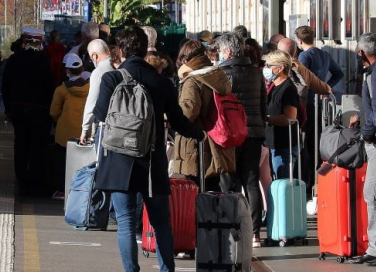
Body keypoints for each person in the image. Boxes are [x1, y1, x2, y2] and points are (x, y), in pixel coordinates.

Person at [92, 26, 207, 272]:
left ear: (120, 51)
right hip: (151, 162)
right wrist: (201, 134)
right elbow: (178, 122)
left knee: (125, 221)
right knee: (161, 222)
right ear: (145, 50)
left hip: (119, 159)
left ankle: (131, 270)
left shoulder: (111, 78)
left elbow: (100, 114)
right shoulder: (161, 82)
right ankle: (167, 269)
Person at [216, 32, 267, 246]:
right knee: (251, 181)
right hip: (254, 132)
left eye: (220, 51)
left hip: (231, 133)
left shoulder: (221, 73)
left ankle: (233, 228)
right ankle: (254, 233)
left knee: (229, 181)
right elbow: (263, 103)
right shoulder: (257, 73)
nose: (219, 54)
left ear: (227, 51)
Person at [171, 40, 236, 193]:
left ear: (185, 60)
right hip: (217, 138)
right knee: (212, 189)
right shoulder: (216, 75)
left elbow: (188, 112)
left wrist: (171, 115)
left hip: (196, 141)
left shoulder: (192, 80)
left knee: (195, 190)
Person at [2, 28, 56, 196]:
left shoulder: (13, 60)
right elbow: (50, 86)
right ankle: (35, 182)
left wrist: (8, 108)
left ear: (25, 42)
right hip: (40, 112)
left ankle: (22, 180)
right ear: (39, 43)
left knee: (21, 145)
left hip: (18, 111)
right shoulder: (44, 61)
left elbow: (5, 86)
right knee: (38, 146)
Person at [294, 25, 343, 190]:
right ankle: (317, 179)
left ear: (300, 40)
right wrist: (325, 87)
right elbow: (339, 73)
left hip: (307, 103)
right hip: (320, 104)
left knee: (304, 143)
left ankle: (306, 181)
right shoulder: (324, 55)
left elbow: (302, 80)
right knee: (316, 143)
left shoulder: (304, 55)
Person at [348, 33, 376, 265]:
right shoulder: (371, 73)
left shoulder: (374, 75)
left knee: (372, 193)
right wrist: (362, 116)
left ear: (362, 52)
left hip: (375, 141)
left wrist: (367, 133)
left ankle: (375, 249)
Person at [49, 53, 91, 198]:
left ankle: (62, 190)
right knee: (83, 163)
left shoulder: (61, 90)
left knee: (62, 163)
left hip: (64, 134)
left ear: (67, 71)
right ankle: (82, 191)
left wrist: (60, 120)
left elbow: (54, 111)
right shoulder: (90, 88)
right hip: (85, 132)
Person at [263, 50, 300, 180]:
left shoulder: (288, 89)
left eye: (269, 65)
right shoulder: (273, 86)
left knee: (282, 185)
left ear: (280, 68)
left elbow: (290, 118)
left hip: (284, 146)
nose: (265, 68)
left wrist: (266, 119)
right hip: (273, 144)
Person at [79, 39, 113, 144]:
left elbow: (92, 102)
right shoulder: (117, 65)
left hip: (104, 125)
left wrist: (85, 129)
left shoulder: (99, 72)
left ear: (94, 56)